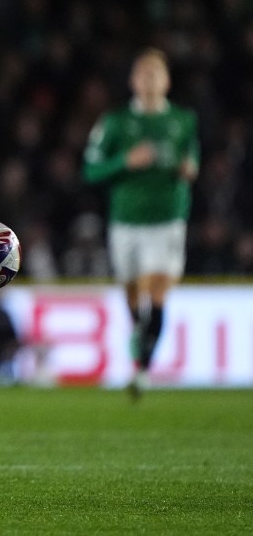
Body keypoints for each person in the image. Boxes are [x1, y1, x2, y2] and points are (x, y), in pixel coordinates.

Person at [83, 48, 199, 400]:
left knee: (159, 290)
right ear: (133, 81)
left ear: (166, 80)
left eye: (155, 74)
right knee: (134, 294)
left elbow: (192, 158)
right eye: (143, 73)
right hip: (126, 222)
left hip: (168, 219)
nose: (149, 80)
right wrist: (125, 161)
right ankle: (141, 338)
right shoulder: (115, 123)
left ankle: (144, 368)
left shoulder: (183, 120)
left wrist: (189, 169)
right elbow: (90, 170)